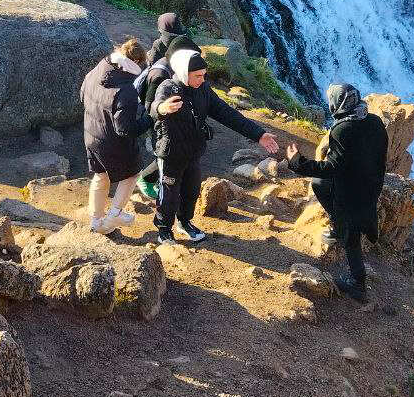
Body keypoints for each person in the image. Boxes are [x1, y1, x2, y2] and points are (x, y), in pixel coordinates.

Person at [150, 49, 279, 245]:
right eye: (198, 76)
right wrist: (162, 109)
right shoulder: (168, 88)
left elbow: (227, 114)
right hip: (171, 152)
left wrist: (258, 134)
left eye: (204, 75)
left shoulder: (203, 89)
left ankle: (184, 222)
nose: (202, 79)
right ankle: (164, 229)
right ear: (184, 73)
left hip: (193, 150)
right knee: (169, 192)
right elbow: (154, 107)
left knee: (191, 190)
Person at [285, 83, 388, 303]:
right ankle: (336, 222)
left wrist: (297, 162)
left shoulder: (343, 129)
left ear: (337, 104)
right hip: (370, 187)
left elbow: (332, 167)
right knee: (320, 184)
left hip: (351, 195)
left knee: (350, 238)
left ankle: (358, 285)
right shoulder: (375, 122)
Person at [81, 39, 158, 234]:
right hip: (112, 142)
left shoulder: (99, 69)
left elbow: (83, 95)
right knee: (132, 173)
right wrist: (150, 118)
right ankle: (115, 212)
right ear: (137, 64)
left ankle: (96, 221)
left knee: (101, 176)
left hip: (91, 133)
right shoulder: (126, 90)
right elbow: (125, 129)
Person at [135, 13, 200, 201]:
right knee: (167, 151)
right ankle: (147, 179)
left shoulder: (157, 46)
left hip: (167, 106)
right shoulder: (174, 50)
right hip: (163, 110)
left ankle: (157, 180)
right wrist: (156, 115)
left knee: (170, 150)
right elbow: (151, 96)